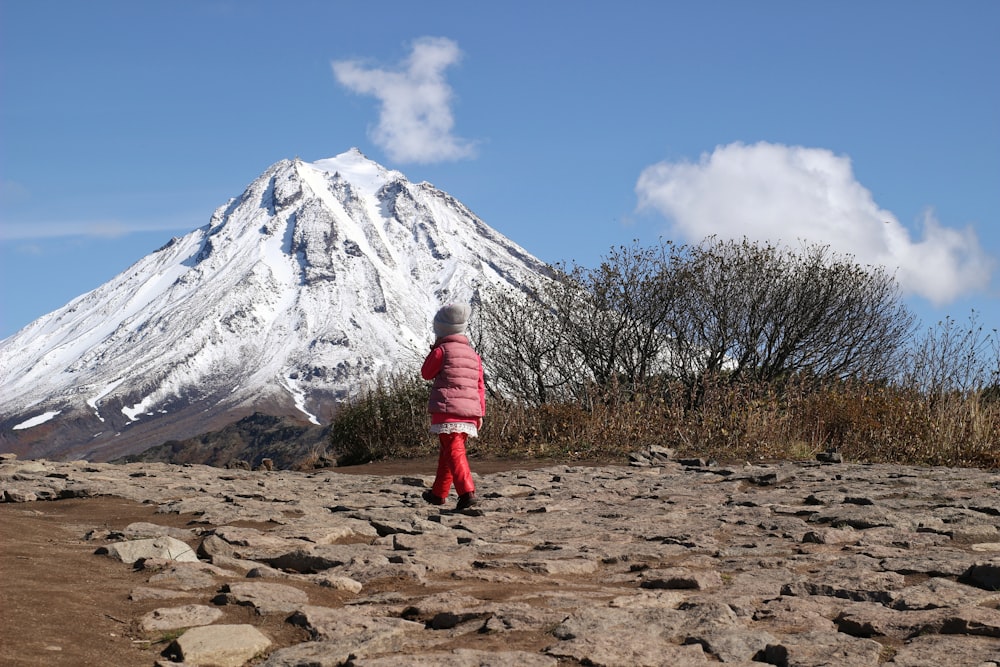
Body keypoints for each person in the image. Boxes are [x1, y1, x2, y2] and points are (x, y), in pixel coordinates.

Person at [420, 303, 485, 511]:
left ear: (440, 330)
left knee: (454, 451)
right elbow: (479, 386)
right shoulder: (474, 355)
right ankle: (438, 493)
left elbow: (426, 373)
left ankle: (467, 493)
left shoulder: (442, 351)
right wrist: (480, 414)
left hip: (448, 410)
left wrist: (433, 352)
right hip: (469, 413)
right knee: (449, 451)